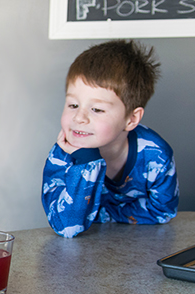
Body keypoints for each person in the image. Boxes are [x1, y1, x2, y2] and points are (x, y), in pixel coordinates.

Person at [42, 39, 179, 238]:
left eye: (96, 109)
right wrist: (86, 162)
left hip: (139, 248)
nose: (79, 118)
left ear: (131, 119)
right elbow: (66, 225)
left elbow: (163, 212)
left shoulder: (156, 155)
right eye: (73, 105)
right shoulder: (63, 153)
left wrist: (99, 214)